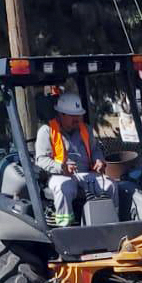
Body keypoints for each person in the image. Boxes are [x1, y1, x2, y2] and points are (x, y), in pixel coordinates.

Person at [35, 92, 117, 226]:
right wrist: (61, 167)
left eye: (78, 115)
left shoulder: (86, 129)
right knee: (64, 188)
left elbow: (95, 150)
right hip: (60, 176)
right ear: (61, 114)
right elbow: (41, 159)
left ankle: (113, 223)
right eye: (72, 116)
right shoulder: (47, 131)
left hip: (86, 174)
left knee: (110, 185)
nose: (77, 119)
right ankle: (64, 227)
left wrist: (98, 160)